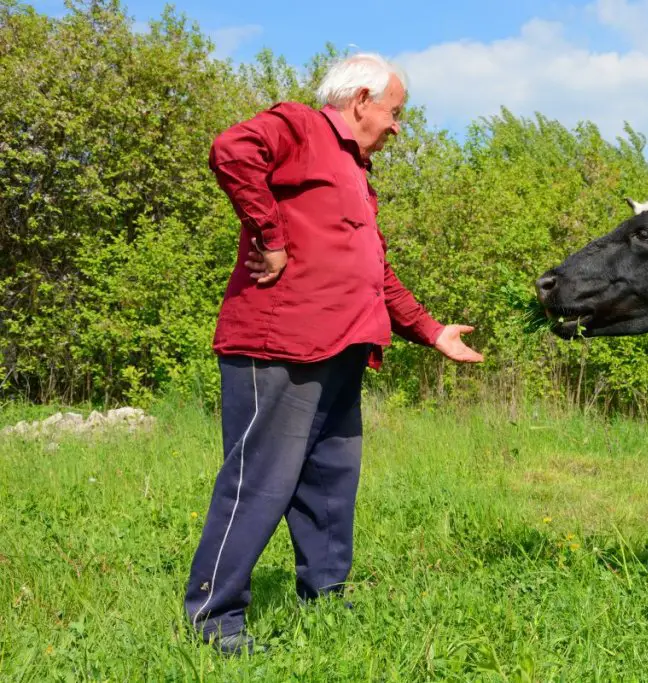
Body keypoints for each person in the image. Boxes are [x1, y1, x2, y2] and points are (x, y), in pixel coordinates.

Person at [183, 52, 483, 656]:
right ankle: (214, 622)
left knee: (330, 485)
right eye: (395, 112)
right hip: (280, 345)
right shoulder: (301, 126)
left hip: (344, 348)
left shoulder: (355, 172)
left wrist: (431, 332)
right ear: (362, 100)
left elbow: (375, 273)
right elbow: (232, 149)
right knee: (258, 484)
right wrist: (269, 236)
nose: (398, 126)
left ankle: (324, 601)